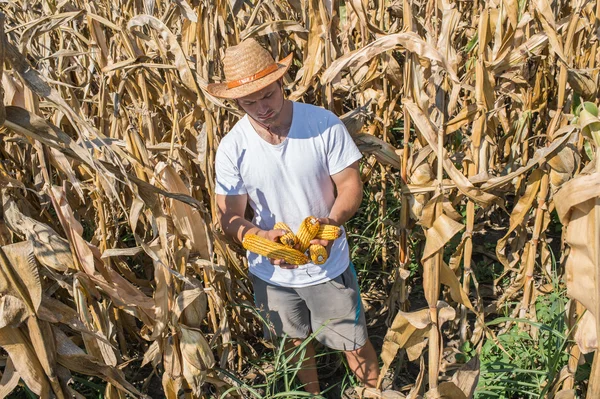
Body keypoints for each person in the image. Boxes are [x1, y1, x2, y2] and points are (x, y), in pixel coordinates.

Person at [208, 39, 380, 394]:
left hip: (326, 264)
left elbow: (350, 187)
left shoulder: (322, 124)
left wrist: (330, 226)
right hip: (271, 274)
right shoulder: (232, 148)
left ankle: (373, 392)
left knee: (353, 341)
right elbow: (229, 217)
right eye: (248, 102)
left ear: (281, 83)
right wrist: (256, 238)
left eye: (267, 96)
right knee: (293, 346)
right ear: (235, 102)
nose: (261, 108)